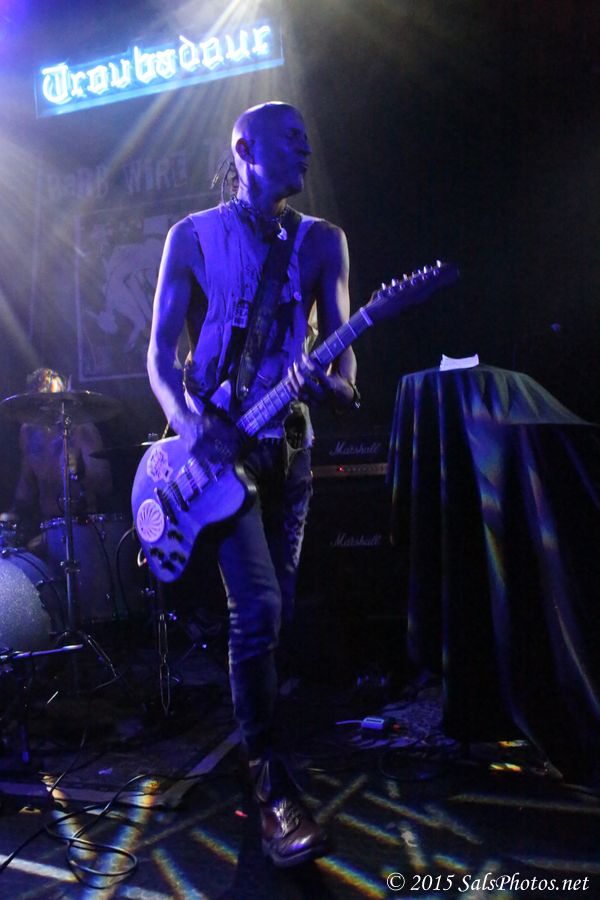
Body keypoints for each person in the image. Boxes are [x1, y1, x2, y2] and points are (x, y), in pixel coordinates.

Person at [147, 101, 358, 868]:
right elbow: (158, 357)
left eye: (306, 136)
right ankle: (272, 790)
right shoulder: (192, 236)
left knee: (276, 618)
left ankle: (258, 753)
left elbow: (346, 374)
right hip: (218, 449)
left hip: (288, 451)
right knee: (258, 611)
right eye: (288, 137)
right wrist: (186, 424)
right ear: (244, 148)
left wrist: (330, 384)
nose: (305, 147)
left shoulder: (323, 242)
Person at [12, 367, 112, 542]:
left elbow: (104, 485)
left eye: (55, 399)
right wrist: (11, 515)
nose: (50, 406)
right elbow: (26, 488)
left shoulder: (82, 429)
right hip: (47, 526)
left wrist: (77, 473)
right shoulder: (28, 432)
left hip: (82, 525)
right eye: (43, 400)